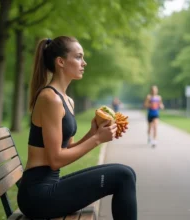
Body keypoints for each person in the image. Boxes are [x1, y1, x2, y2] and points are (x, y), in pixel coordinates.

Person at [17, 36, 137, 220]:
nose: (84, 63)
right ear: (61, 62)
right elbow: (56, 159)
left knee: (127, 173)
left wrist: (93, 132)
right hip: (38, 196)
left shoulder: (66, 100)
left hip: (49, 187)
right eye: (79, 57)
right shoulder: (50, 99)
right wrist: (97, 139)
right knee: (124, 176)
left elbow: (65, 150)